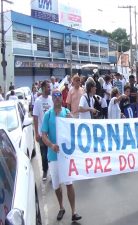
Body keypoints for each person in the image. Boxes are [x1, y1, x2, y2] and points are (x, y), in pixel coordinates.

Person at [41, 89, 82, 222]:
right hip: (53, 156)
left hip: (65, 156)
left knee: (69, 184)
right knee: (57, 186)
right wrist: (52, 145)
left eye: (59, 95)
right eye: (55, 95)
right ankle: (61, 207)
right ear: (52, 98)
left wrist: (72, 121)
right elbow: (43, 135)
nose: (57, 97)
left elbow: (75, 129)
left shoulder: (66, 113)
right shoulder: (48, 115)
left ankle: (74, 211)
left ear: (61, 98)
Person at [33, 80, 53, 181]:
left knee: (52, 154)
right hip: (42, 134)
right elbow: (35, 117)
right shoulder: (38, 101)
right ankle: (45, 171)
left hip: (52, 133)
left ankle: (53, 172)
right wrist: (36, 133)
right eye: (48, 87)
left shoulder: (51, 99)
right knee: (44, 155)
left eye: (50, 87)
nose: (50, 88)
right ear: (43, 88)